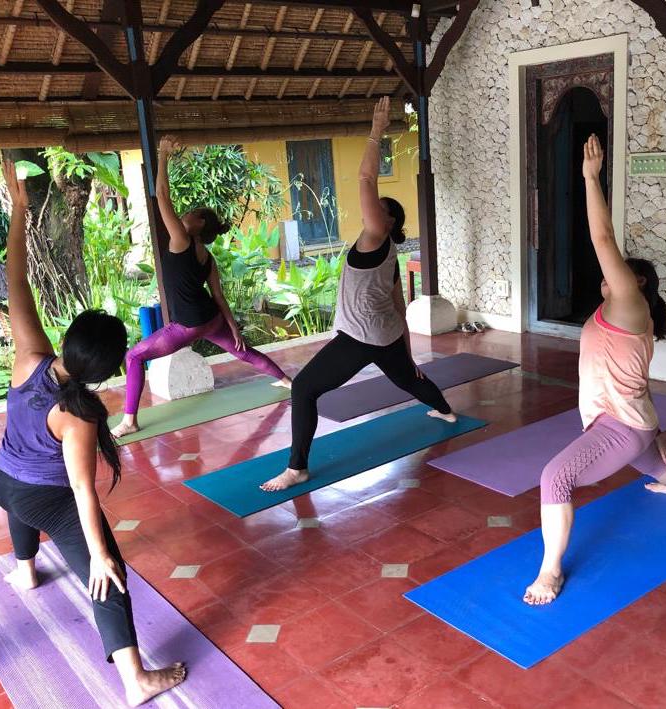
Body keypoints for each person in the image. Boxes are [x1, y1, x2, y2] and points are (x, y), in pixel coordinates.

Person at [0, 161, 185, 705]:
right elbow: (80, 492)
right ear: (106, 370)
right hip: (39, 495)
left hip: (0, 481)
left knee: (21, 493)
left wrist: (20, 210)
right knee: (109, 575)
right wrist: (99, 554)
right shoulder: (80, 411)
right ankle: (135, 679)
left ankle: (26, 570)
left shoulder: (31, 359)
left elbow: (15, 280)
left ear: (69, 340)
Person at [523, 135, 666, 606]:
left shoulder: (631, 305)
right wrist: (655, 432)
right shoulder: (615, 313)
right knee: (664, 473)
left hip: (619, 425)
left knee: (554, 478)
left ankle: (550, 572)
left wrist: (590, 178)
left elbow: (602, 239)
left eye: (618, 271)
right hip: (632, 420)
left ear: (636, 283)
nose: (607, 273)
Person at [260, 97, 457, 492]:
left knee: (304, 388)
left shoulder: (375, 237)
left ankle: (297, 467)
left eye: (378, 209)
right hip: (382, 333)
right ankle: (445, 411)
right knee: (408, 377)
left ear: (388, 222)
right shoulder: (388, 252)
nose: (370, 209)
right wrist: (408, 351)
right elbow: (398, 304)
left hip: (361, 336)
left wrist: (376, 132)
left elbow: (367, 180)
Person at [111, 136, 291, 438]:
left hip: (189, 324)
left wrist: (163, 154)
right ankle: (287, 381)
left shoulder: (180, 240)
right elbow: (218, 297)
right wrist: (233, 328)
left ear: (198, 222)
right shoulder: (207, 256)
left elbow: (161, 195)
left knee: (134, 357)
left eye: (192, 211)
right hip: (211, 319)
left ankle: (130, 421)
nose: (186, 212)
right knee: (244, 352)